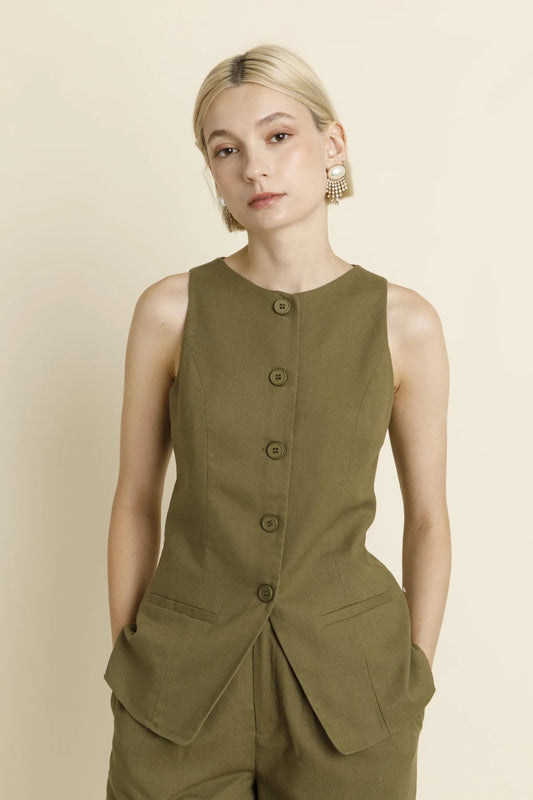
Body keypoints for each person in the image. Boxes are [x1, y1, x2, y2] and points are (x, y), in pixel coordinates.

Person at [104, 43, 451, 799]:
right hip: (177, 688)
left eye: (278, 136)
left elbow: (427, 517)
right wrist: (131, 660)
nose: (254, 169)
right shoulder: (170, 311)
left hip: (352, 692)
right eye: (225, 150)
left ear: (332, 144)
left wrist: (413, 677)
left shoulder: (404, 324)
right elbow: (134, 500)